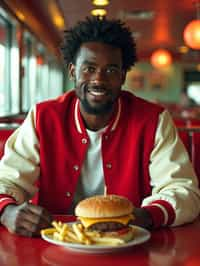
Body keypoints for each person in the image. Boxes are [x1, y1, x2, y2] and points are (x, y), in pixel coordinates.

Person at [0, 17, 200, 237]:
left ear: (123, 76)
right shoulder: (42, 117)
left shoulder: (154, 120)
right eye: (89, 68)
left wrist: (144, 216)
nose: (98, 79)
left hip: (128, 241)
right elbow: (6, 180)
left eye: (111, 70)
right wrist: (7, 211)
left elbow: (184, 191)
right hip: (51, 239)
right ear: (73, 71)